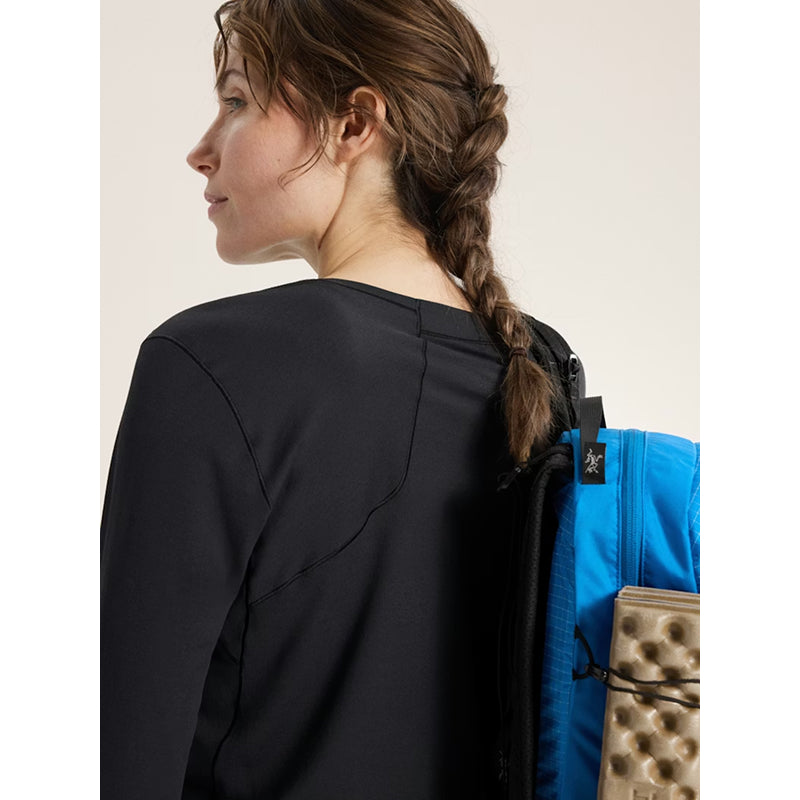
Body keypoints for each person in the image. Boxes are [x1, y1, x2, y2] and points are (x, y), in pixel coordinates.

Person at [100, 1, 577, 797]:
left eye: (236, 101)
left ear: (354, 123)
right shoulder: (539, 366)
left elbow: (119, 755)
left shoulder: (210, 364)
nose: (201, 150)